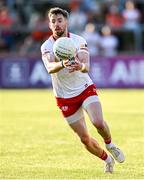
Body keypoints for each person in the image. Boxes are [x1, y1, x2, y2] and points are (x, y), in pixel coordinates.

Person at [41, 7, 125, 173]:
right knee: (85, 139)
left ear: (66, 22)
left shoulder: (78, 40)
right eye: (53, 21)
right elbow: (50, 67)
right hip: (64, 96)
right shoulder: (47, 45)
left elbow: (86, 66)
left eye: (60, 20)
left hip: (84, 88)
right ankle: (107, 159)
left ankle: (110, 144)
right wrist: (63, 64)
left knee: (98, 122)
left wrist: (80, 65)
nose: (57, 24)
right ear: (49, 25)